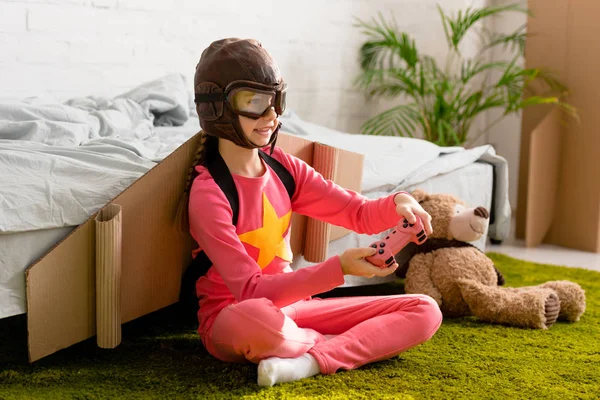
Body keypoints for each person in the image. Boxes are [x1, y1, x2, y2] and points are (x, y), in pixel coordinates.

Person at [181, 38, 443, 387]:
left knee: (425, 310)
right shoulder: (208, 193)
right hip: (237, 317)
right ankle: (350, 347)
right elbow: (250, 290)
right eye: (254, 102)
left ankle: (309, 361)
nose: (271, 115)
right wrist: (339, 268)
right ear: (218, 107)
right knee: (259, 321)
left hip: (296, 311)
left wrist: (399, 202)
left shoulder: (284, 168)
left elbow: (358, 212)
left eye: (275, 101)